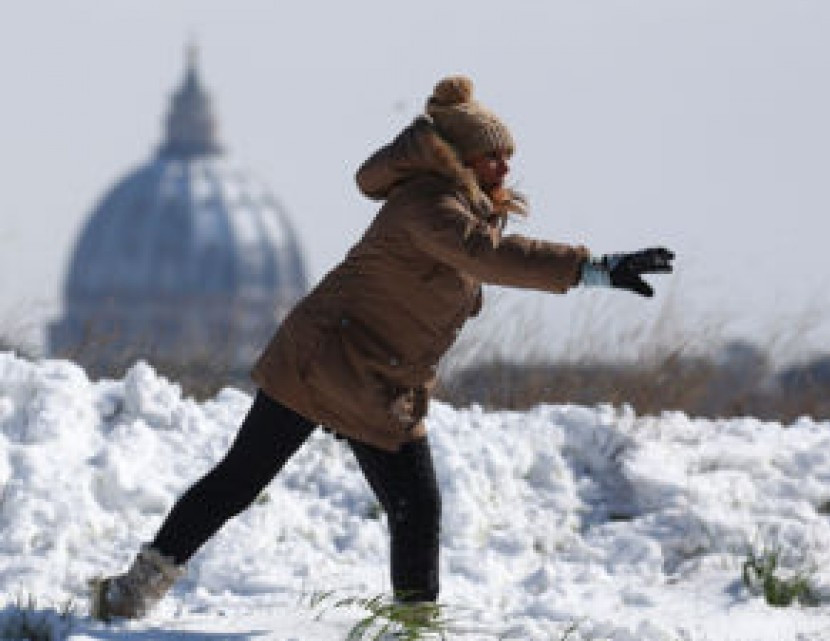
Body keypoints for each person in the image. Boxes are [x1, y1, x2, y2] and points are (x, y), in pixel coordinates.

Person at [90, 74, 674, 620]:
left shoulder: (466, 207)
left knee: (414, 506)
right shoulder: (427, 204)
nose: (505, 163)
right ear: (458, 157)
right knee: (243, 480)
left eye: (507, 153)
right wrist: (593, 270)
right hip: (322, 362)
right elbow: (484, 256)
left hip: (379, 379)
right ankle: (133, 589)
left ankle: (414, 624)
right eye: (491, 153)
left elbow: (480, 252)